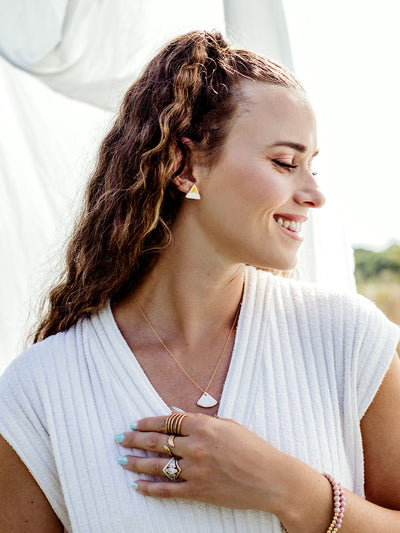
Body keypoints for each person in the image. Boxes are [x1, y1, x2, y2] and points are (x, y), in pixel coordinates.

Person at [0, 30, 399, 533]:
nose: (315, 194)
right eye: (284, 162)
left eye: (312, 166)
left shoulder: (349, 339)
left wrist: (292, 490)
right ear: (184, 165)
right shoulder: (38, 392)